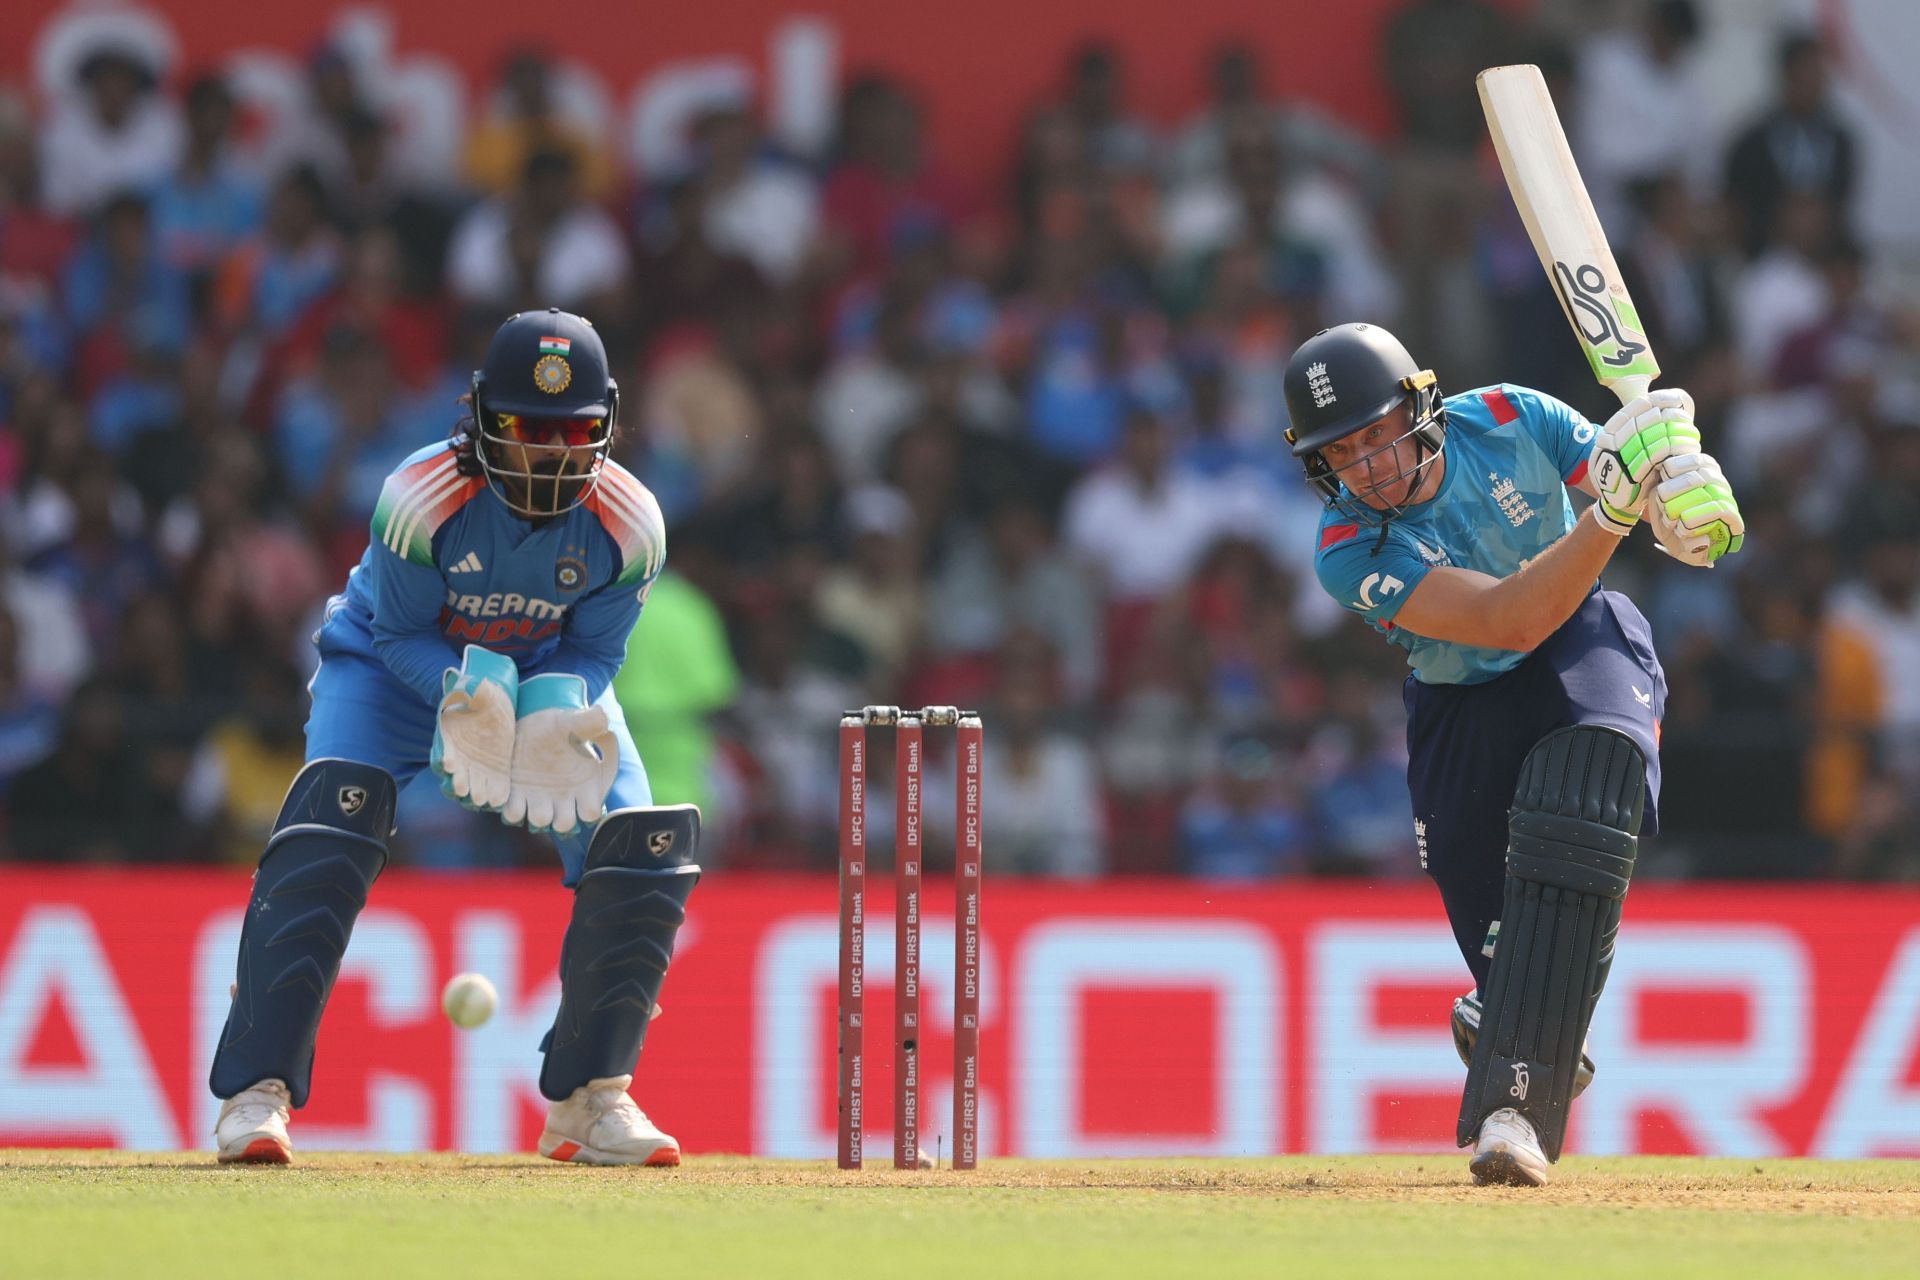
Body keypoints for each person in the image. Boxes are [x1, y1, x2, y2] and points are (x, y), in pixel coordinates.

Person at [208, 308, 694, 1168]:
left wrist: (547, 707)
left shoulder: (633, 525)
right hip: (394, 674)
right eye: (526, 429)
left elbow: (595, 649)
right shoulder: (420, 497)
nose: (549, 454)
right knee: (331, 826)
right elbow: (395, 634)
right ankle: (257, 1093)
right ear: (480, 419)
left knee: (639, 847)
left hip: (546, 679)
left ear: (609, 425)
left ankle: (592, 1101)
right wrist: (470, 699)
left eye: (574, 432)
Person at [1284, 323, 1743, 1185]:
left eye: (1378, 433)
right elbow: (1504, 621)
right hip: (1462, 702)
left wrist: (1676, 494)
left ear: (1419, 407)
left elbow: (1624, 491)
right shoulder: (1346, 549)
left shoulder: (1509, 415)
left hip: (1583, 647)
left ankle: (1513, 1114)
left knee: (1589, 797)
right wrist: (1612, 509)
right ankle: (1518, 1030)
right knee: (1510, 944)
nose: (1369, 467)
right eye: (1342, 453)